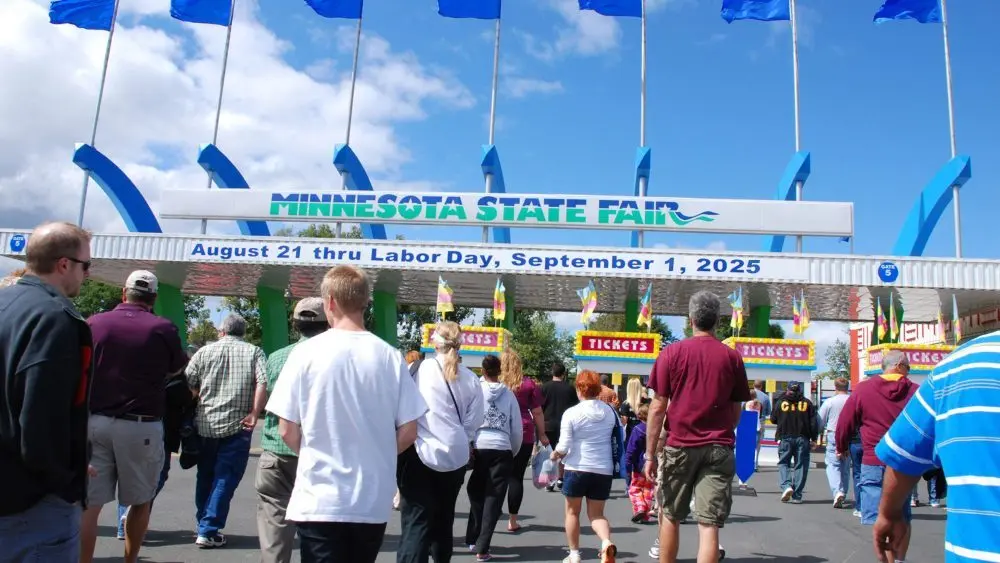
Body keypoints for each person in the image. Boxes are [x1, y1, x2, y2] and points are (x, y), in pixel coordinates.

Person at [266, 267, 427, 563]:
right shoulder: (390, 356)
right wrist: (377, 454)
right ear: (366, 301)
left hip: (319, 496)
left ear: (329, 302)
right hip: (370, 498)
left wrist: (316, 454)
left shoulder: (303, 354)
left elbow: (286, 429)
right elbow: (409, 430)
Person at [80, 270, 187, 563]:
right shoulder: (162, 329)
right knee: (140, 501)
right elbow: (177, 368)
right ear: (153, 298)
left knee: (89, 504)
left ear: (123, 293)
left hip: (95, 422)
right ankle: (130, 560)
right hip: (140, 425)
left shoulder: (95, 323)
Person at [0, 222, 92, 562]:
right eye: (86, 266)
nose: (86, 274)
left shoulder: (6, 303)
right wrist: (66, 479)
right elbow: (41, 418)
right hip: (33, 501)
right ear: (64, 264)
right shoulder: (56, 318)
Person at [871, 331, 1000, 563]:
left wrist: (888, 513)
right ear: (901, 366)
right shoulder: (918, 385)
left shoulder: (960, 365)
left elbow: (904, 454)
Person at [644, 290, 750, 563]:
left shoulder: (672, 353)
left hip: (679, 445)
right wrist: (723, 432)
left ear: (690, 319)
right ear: (717, 320)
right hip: (718, 448)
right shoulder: (732, 358)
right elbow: (736, 408)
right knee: (709, 523)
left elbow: (657, 407)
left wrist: (649, 453)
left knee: (670, 515)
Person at [397, 321, 484, 563]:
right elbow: (475, 421)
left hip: (420, 452)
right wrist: (460, 436)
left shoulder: (418, 369)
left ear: (435, 342)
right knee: (444, 519)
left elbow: (402, 410)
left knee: (417, 521)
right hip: (455, 457)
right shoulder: (470, 378)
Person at [256, 297, 329, 563]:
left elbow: (267, 401)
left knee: (274, 526)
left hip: (276, 452)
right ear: (328, 321)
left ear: (295, 323)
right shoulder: (333, 358)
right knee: (321, 529)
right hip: (318, 452)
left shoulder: (276, 358)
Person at [186, 313, 267, 548]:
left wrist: (198, 399)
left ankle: (203, 523)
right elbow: (262, 381)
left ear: (222, 331)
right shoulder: (254, 352)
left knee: (205, 475)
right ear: (242, 332)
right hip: (238, 425)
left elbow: (189, 380)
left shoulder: (204, 352)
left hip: (205, 423)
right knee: (225, 478)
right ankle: (209, 529)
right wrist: (255, 412)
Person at [835, 349, 917, 561]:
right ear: (899, 365)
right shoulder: (915, 391)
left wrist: (841, 446)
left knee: (882, 517)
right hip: (902, 463)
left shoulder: (863, 390)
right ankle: (899, 560)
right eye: (908, 367)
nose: (909, 372)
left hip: (873, 459)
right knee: (902, 514)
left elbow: (845, 422)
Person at [551, 370, 620, 563]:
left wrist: (554, 456)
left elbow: (564, 446)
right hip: (603, 469)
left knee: (573, 512)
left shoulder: (572, 413)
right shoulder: (610, 412)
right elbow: (618, 438)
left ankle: (574, 554)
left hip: (576, 467)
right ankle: (606, 542)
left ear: (579, 389)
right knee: (597, 514)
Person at [465, 354, 522, 561]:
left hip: (480, 445)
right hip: (502, 447)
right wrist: (512, 451)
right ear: (500, 371)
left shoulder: (476, 390)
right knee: (493, 499)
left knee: (476, 491)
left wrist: (469, 443)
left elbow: (468, 418)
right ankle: (482, 547)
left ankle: (473, 538)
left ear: (482, 370)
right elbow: (517, 428)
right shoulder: (509, 395)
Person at [500, 348, 547, 533]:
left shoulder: (495, 382)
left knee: (496, 477)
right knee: (516, 477)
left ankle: (492, 511)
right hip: (524, 431)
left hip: (499, 430)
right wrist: (542, 434)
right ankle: (512, 520)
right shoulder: (527, 384)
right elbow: (537, 412)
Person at [770, 382, 819, 504]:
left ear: (788, 390)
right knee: (801, 465)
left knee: (784, 463)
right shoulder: (807, 403)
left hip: (785, 437)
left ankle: (786, 486)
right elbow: (814, 423)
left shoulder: (781, 402)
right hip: (803, 438)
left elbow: (773, 419)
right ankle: (797, 495)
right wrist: (814, 439)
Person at [542, 360, 578, 492]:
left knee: (549, 453)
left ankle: (550, 480)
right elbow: (575, 407)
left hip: (548, 424)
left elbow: (539, 408)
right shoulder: (569, 388)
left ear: (553, 373)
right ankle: (561, 478)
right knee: (563, 451)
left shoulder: (544, 387)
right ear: (563, 374)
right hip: (565, 424)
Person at [818, 377, 852, 509]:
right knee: (845, 465)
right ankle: (843, 491)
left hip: (833, 434)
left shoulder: (830, 402)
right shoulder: (852, 400)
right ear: (847, 387)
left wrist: (818, 435)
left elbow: (820, 420)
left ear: (835, 387)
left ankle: (837, 491)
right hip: (850, 435)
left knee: (833, 465)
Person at [625, 404, 655, 523]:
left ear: (639, 416)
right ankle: (646, 515)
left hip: (639, 465)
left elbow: (631, 450)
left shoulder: (638, 429)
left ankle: (640, 508)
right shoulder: (656, 429)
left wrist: (627, 466)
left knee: (635, 489)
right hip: (653, 464)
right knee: (648, 489)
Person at [750, 381, 771, 469]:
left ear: (753, 385)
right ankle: (755, 464)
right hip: (760, 422)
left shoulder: (747, 395)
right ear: (761, 386)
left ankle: (747, 462)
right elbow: (768, 412)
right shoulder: (765, 397)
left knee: (747, 443)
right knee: (757, 444)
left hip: (747, 421)